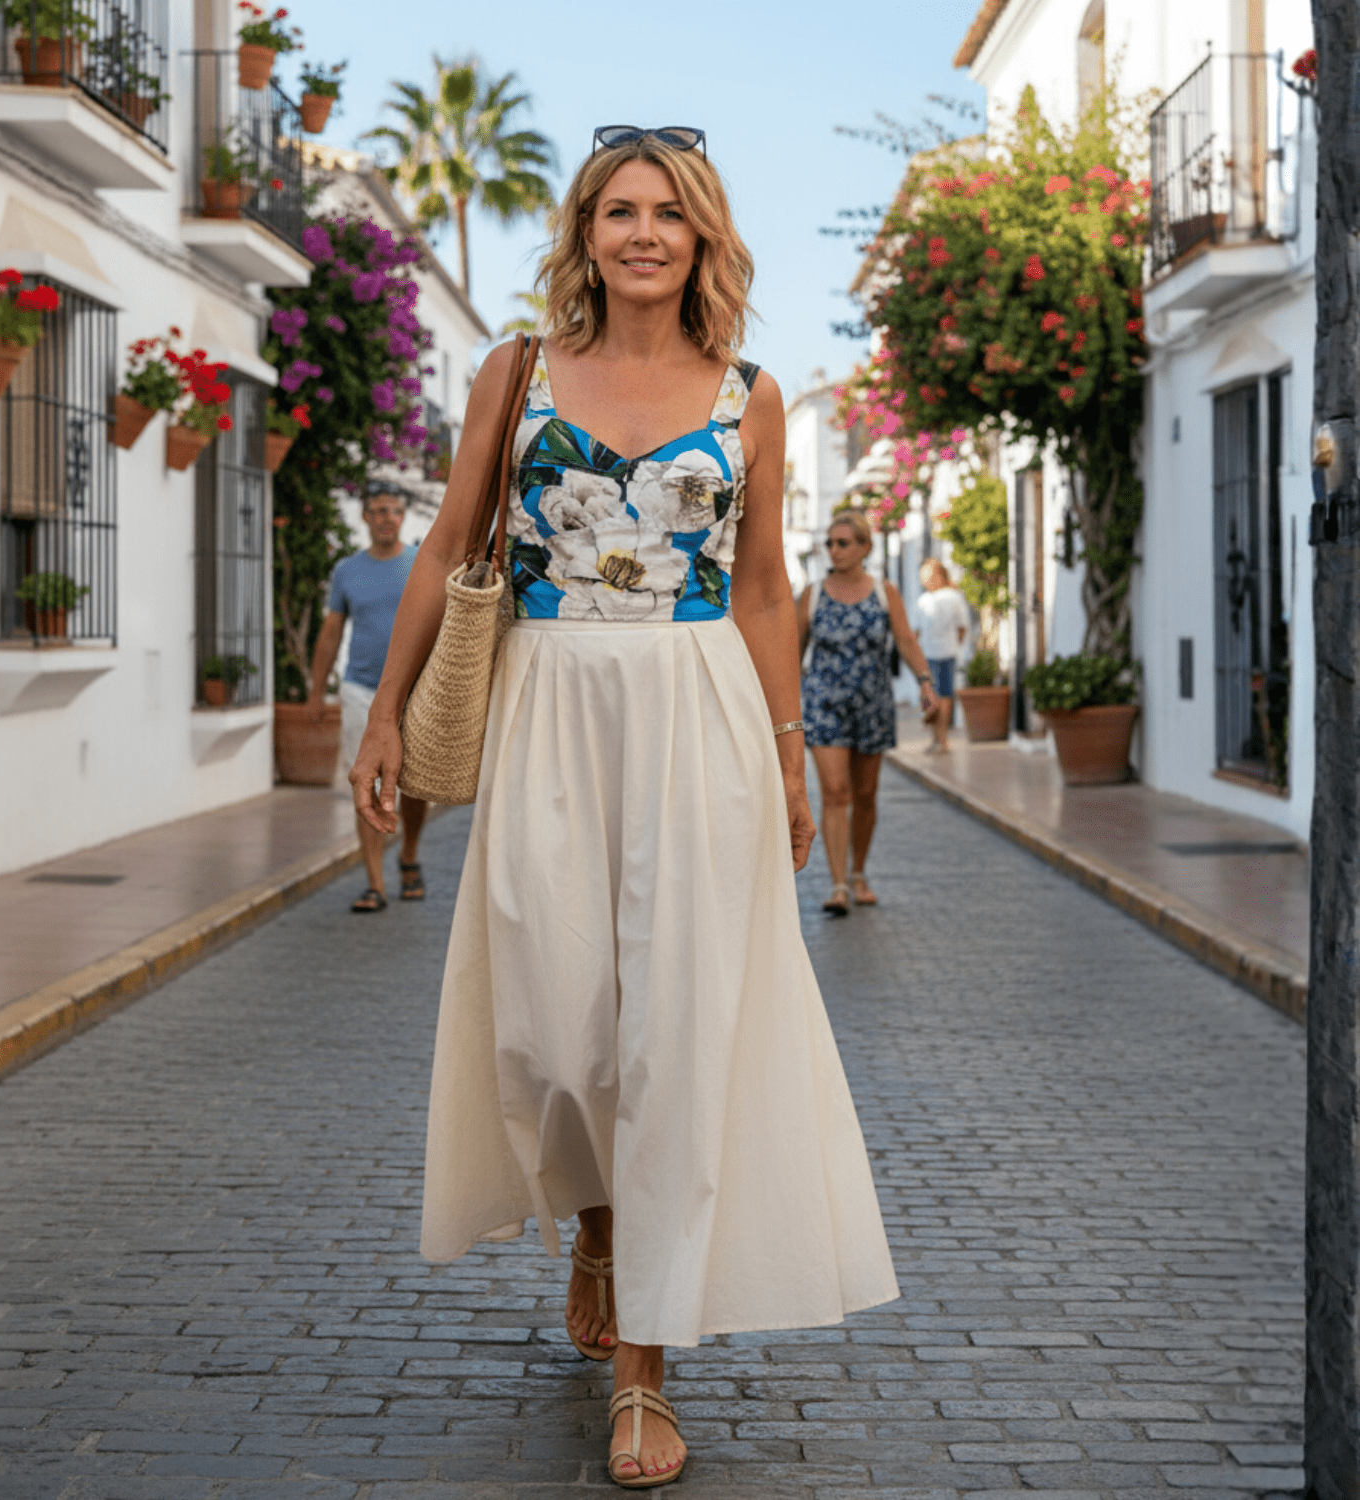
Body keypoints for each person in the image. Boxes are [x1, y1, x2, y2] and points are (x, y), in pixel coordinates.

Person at [349, 127, 898, 1489]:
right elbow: (447, 539)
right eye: (617, 210)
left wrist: (787, 746)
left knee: (670, 1030)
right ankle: (594, 1217)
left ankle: (646, 1370)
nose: (642, 233)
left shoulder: (753, 393)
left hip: (700, 709)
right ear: (585, 230)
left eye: (668, 213)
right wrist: (381, 710)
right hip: (547, 706)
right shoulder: (513, 373)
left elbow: (764, 587)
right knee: (554, 1023)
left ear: (703, 236)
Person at [796, 510, 939, 913]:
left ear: (864, 547)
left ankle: (859, 873)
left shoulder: (883, 592)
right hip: (824, 704)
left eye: (843, 543)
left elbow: (906, 640)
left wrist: (926, 682)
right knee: (834, 792)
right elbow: (790, 653)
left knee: (866, 794)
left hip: (872, 704)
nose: (834, 550)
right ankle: (838, 884)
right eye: (830, 543)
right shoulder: (813, 594)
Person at [308, 487, 428, 913]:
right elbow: (330, 633)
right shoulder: (347, 571)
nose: (387, 518)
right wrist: (316, 690)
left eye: (395, 511)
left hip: (415, 689)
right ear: (365, 517)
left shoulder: (419, 565)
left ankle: (409, 852)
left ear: (403, 518)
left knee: (415, 784)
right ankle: (375, 883)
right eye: (379, 511)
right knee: (366, 779)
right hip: (361, 689)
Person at [914, 558, 971, 753]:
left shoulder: (949, 597)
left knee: (941, 695)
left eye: (928, 577)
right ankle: (937, 739)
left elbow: (961, 628)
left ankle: (941, 740)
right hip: (932, 653)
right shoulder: (928, 599)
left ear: (939, 576)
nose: (925, 581)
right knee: (934, 695)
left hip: (941, 654)